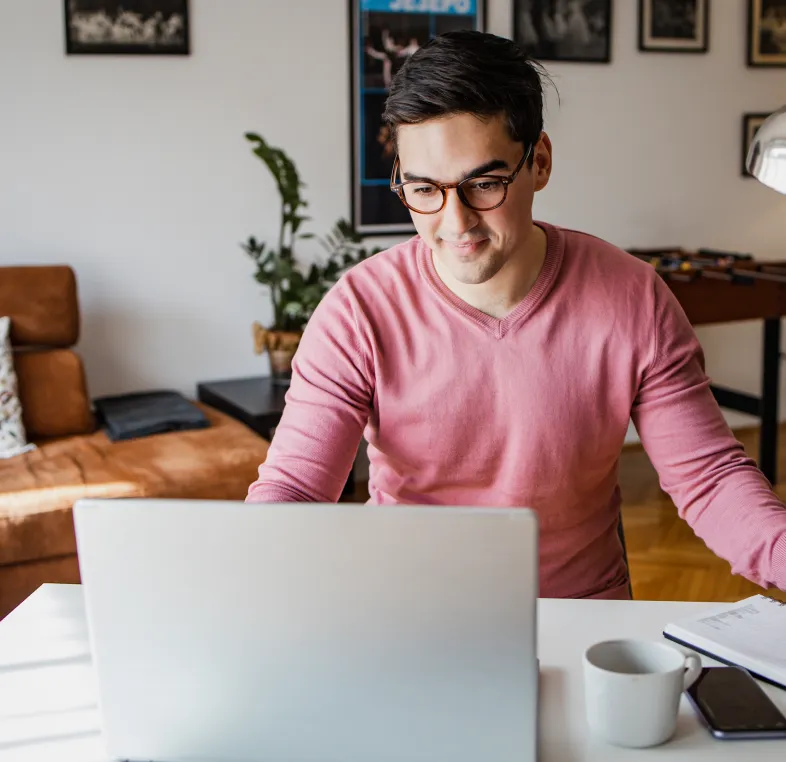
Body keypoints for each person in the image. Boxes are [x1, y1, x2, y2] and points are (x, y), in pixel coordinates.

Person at [246, 30, 786, 600]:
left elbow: (711, 480)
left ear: (541, 161)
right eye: (424, 189)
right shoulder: (358, 311)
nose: (455, 223)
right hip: (408, 615)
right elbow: (296, 489)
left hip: (582, 617)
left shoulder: (634, 298)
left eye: (484, 183)